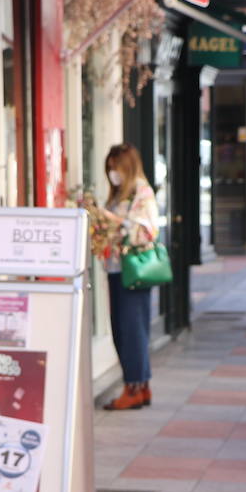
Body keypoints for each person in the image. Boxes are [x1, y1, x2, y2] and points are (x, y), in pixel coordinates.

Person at [94, 142, 159, 410]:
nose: (113, 173)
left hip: (132, 271)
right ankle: (139, 386)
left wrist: (115, 221)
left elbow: (149, 230)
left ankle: (134, 387)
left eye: (116, 168)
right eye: (109, 168)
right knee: (124, 330)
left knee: (131, 331)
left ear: (127, 167)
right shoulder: (120, 193)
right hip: (116, 269)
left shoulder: (141, 192)